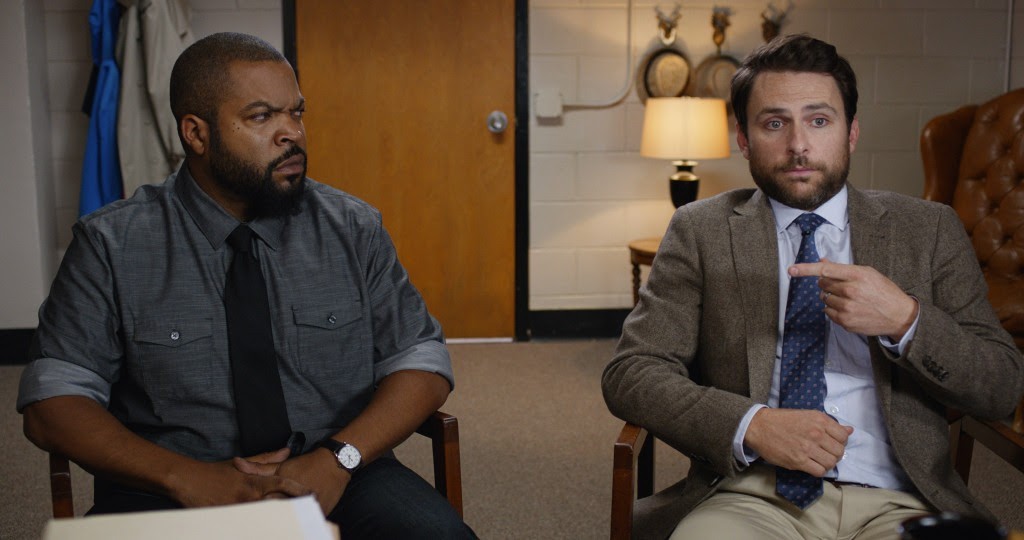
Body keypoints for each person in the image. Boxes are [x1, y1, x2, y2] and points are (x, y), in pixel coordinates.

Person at [18, 32, 476, 539]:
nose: (292, 133)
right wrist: (184, 477)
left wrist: (339, 458)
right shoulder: (110, 244)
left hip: (338, 469)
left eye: (296, 113)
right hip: (167, 483)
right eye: (261, 117)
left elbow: (421, 360)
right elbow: (52, 402)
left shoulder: (353, 228)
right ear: (196, 134)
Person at [602, 34, 1024, 540]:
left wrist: (906, 320)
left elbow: (1002, 387)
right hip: (749, 496)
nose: (798, 145)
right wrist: (753, 424)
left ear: (851, 132)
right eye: (774, 123)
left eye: (819, 121)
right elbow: (631, 372)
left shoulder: (928, 229)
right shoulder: (701, 230)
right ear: (744, 139)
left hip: (901, 500)